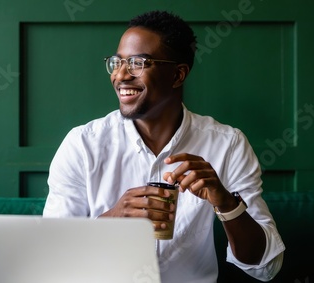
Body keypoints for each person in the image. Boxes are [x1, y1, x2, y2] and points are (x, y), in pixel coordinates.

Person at [43, 10, 285, 283]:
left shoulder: (227, 144)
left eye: (137, 63)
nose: (120, 75)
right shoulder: (82, 145)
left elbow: (266, 266)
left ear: (178, 75)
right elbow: (52, 257)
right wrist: (111, 220)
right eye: (118, 62)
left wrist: (226, 203)